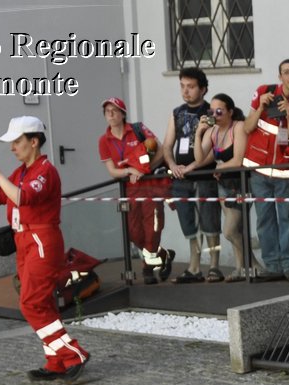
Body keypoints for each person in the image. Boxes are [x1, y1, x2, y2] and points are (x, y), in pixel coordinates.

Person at [0, 116, 90, 381]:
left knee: (30, 303)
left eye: (17, 141)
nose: (12, 148)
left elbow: (22, 197)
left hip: (41, 240)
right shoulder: (22, 171)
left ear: (34, 141)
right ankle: (56, 361)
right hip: (24, 241)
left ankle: (73, 354)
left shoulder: (45, 170)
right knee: (43, 302)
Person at [97, 96, 175, 285]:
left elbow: (160, 149)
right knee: (134, 233)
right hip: (129, 190)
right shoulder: (104, 140)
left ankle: (147, 268)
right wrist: (128, 170)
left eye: (114, 110)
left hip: (150, 187)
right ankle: (162, 255)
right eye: (107, 111)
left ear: (123, 114)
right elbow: (112, 171)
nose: (110, 113)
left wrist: (143, 171)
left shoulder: (138, 129)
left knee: (153, 229)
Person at [246, 59, 289, 281]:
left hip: (285, 169)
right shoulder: (264, 92)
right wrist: (260, 106)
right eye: (286, 73)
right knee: (264, 220)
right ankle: (272, 266)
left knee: (287, 219)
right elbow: (248, 127)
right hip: (259, 168)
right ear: (279, 76)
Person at [160, 66, 219, 284]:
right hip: (181, 177)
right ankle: (194, 266)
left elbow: (212, 147)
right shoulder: (176, 113)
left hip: (203, 175)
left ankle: (214, 264)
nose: (186, 91)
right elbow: (167, 145)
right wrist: (173, 164)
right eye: (183, 86)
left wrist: (193, 166)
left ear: (203, 89)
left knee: (209, 221)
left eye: (191, 87)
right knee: (188, 224)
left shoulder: (211, 112)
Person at [198, 93, 263, 282]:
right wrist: (199, 132)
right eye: (212, 111)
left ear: (230, 112)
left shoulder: (239, 126)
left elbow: (238, 159)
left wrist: (220, 167)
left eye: (219, 111)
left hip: (239, 183)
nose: (215, 115)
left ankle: (253, 266)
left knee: (230, 231)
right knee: (237, 231)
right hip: (224, 184)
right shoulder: (213, 132)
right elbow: (200, 158)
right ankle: (241, 268)